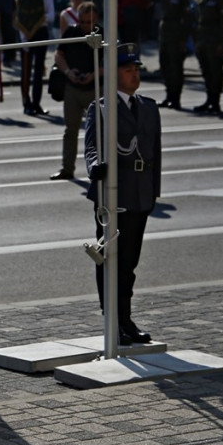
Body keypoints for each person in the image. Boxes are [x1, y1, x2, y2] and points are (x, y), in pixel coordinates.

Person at [83, 43, 162, 346]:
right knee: (109, 260)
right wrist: (95, 168)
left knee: (129, 264)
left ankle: (126, 319)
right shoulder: (101, 107)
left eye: (136, 69)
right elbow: (91, 144)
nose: (134, 75)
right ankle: (112, 321)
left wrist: (154, 191)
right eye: (128, 70)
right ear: (114, 75)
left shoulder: (149, 107)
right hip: (113, 195)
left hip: (140, 194)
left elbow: (155, 152)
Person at [50, 1, 98, 180]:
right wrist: (69, 72)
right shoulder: (71, 32)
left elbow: (111, 61)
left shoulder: (102, 33)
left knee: (99, 132)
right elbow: (59, 55)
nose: (87, 26)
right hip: (73, 87)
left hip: (94, 89)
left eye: (91, 22)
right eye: (84, 22)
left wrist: (93, 74)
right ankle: (67, 168)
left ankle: (99, 168)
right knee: (70, 130)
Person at [142, 0, 190, 110]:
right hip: (165, 33)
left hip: (176, 34)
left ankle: (176, 98)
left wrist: (183, 39)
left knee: (176, 67)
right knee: (165, 66)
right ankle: (169, 95)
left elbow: (187, 18)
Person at [192, 0, 223, 113]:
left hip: (215, 39)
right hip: (203, 38)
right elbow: (197, 18)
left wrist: (222, 42)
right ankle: (209, 99)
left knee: (215, 71)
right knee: (206, 71)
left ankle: (215, 101)